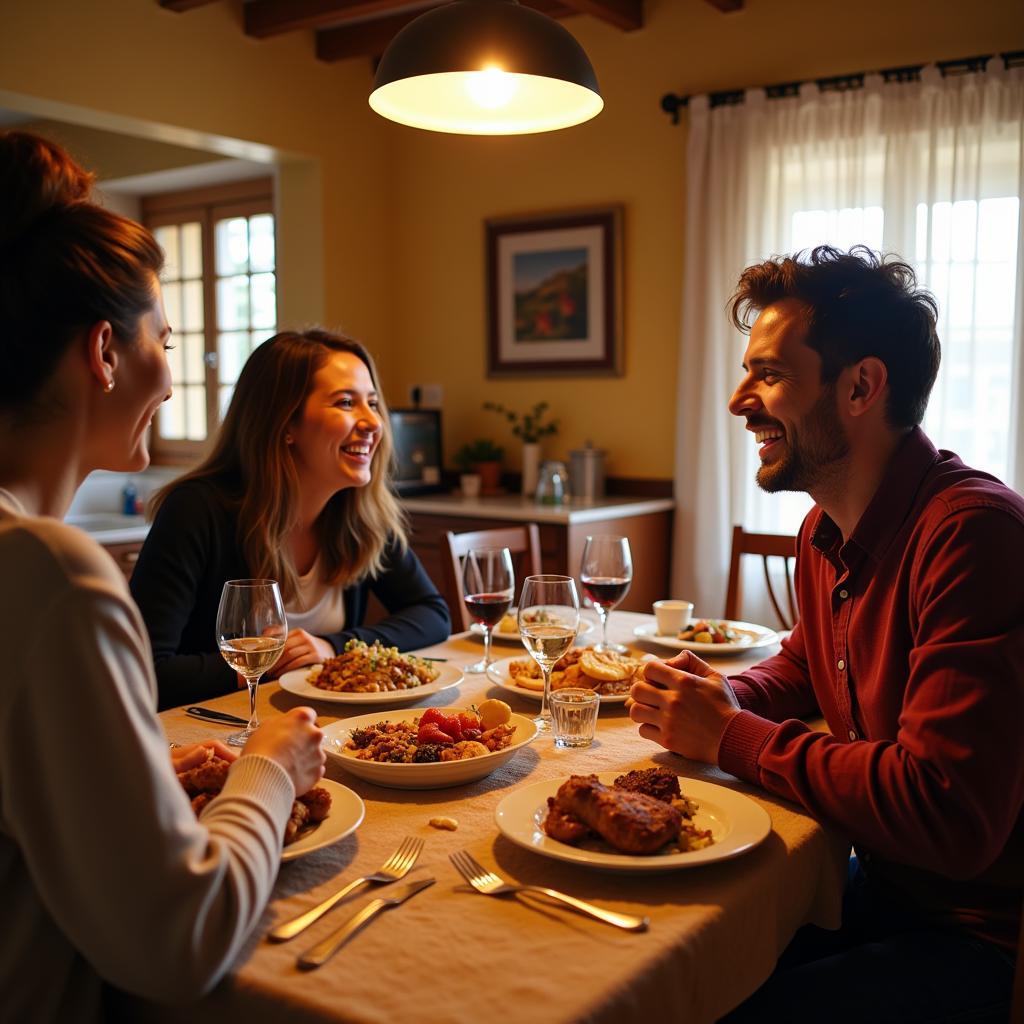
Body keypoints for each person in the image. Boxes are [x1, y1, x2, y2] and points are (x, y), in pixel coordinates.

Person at [629, 246, 1022, 1022]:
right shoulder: (825, 528)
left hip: (972, 939)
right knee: (657, 961)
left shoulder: (974, 534)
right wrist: (721, 694)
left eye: (769, 374)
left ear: (861, 387)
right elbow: (807, 669)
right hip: (873, 887)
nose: (740, 400)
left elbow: (945, 813)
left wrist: (732, 735)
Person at [0, 130, 326, 1022]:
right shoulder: (49, 570)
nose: (176, 383)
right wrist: (268, 767)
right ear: (106, 352)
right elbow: (179, 940)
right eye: (168, 341)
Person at [130, 328, 450, 710]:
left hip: (323, 729)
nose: (373, 422)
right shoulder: (197, 511)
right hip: (213, 737)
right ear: (285, 425)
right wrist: (263, 664)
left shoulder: (360, 514)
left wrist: (332, 646)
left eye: (373, 403)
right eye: (346, 403)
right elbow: (141, 671)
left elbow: (433, 614)